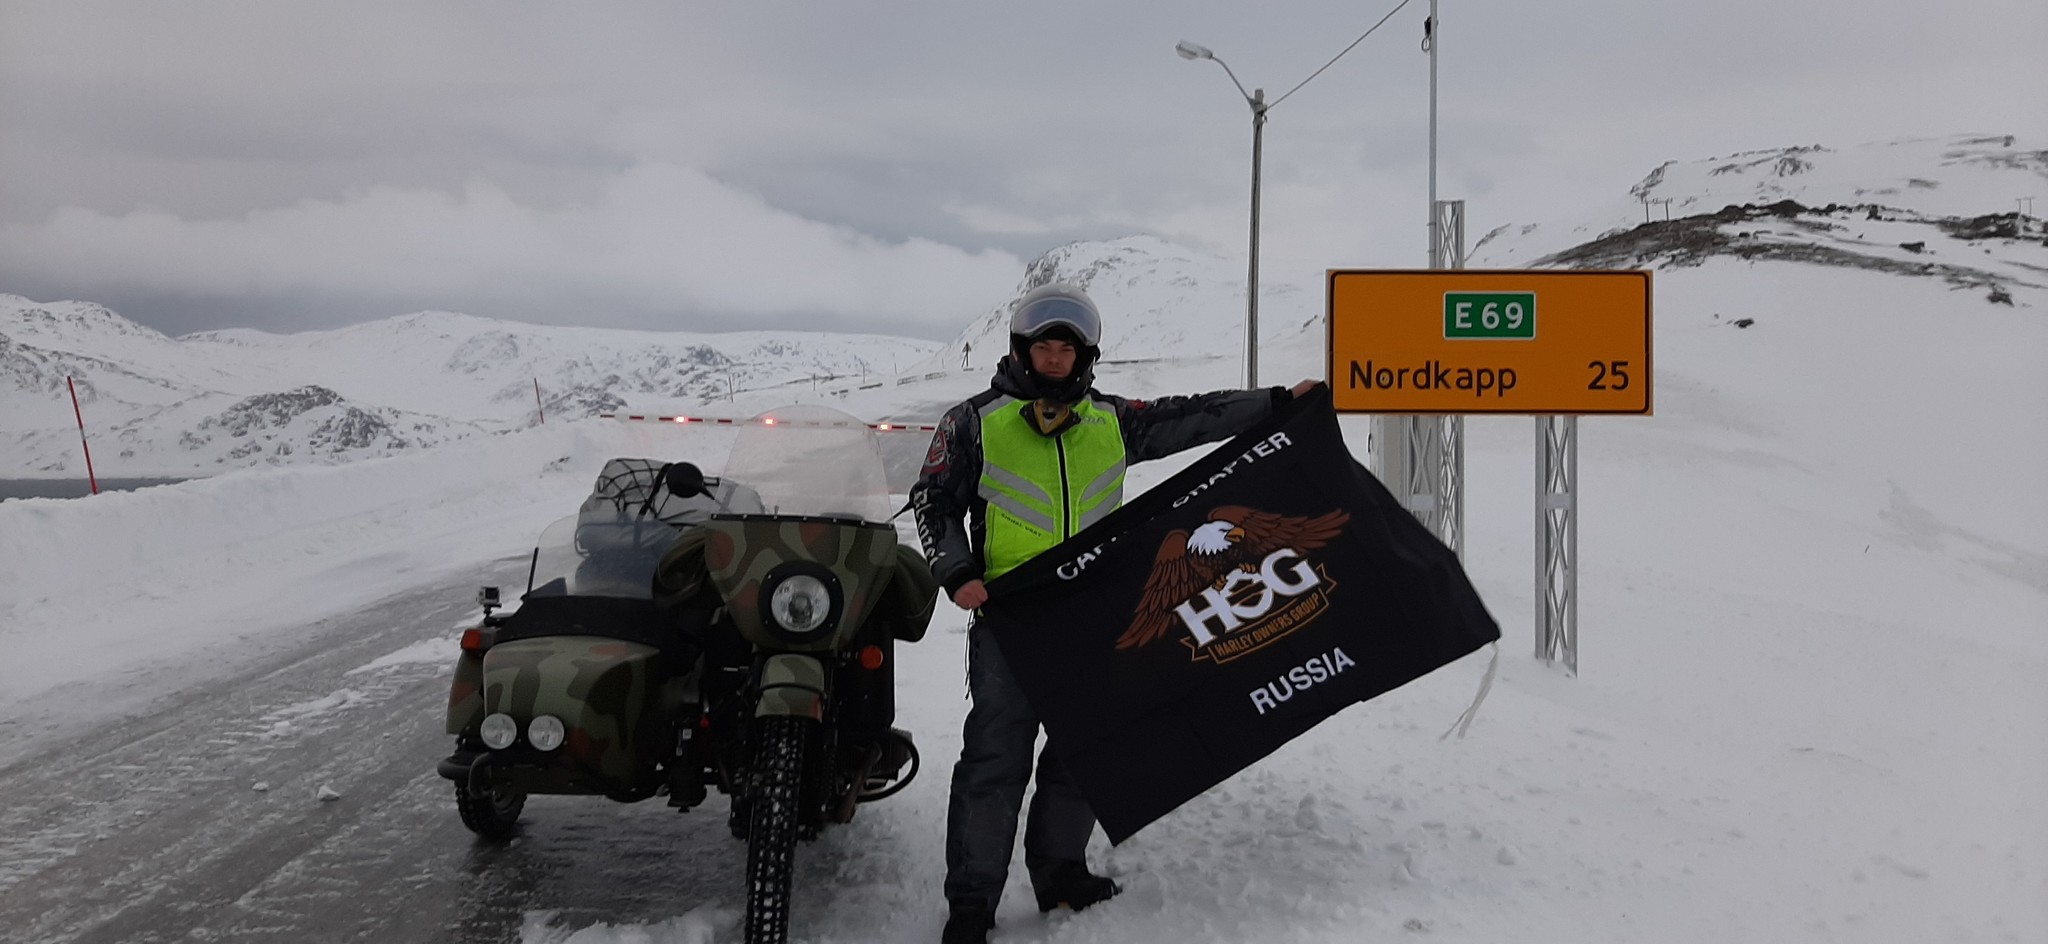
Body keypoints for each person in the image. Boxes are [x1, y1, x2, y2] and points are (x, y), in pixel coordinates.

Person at [910, 282, 1318, 944]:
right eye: (1044, 345)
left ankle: (1061, 873)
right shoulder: (972, 420)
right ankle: (971, 904)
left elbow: (1195, 415)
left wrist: (1275, 403)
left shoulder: (1112, 418)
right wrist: (957, 572)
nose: (1054, 356)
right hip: (1012, 619)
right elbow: (932, 500)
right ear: (1023, 349)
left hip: (1096, 619)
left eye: (1066, 347)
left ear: (1085, 355)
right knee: (994, 761)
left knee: (1083, 753)